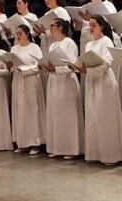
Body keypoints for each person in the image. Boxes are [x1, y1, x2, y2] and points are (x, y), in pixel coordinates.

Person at [78, 15, 122, 165]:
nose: (91, 28)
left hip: (105, 82)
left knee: (106, 117)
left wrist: (88, 71)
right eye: (90, 25)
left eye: (94, 25)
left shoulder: (106, 41)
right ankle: (95, 153)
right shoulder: (88, 45)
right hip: (91, 82)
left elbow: (106, 63)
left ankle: (111, 155)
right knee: (93, 116)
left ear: (102, 26)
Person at [40, 19, 83, 159]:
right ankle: (57, 147)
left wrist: (56, 68)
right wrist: (46, 66)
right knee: (55, 114)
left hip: (67, 82)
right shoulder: (52, 45)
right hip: (54, 81)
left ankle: (70, 148)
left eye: (52, 26)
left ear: (60, 27)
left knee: (67, 115)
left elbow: (72, 65)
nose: (50, 28)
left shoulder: (70, 43)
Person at [9, 25, 45, 155]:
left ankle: (35, 143)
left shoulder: (35, 48)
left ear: (27, 34)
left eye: (20, 33)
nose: (18, 36)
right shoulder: (14, 48)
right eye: (16, 34)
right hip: (18, 81)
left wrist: (25, 69)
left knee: (31, 110)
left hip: (31, 81)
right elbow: (12, 65)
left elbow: (40, 66)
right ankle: (22, 142)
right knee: (19, 110)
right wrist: (10, 66)